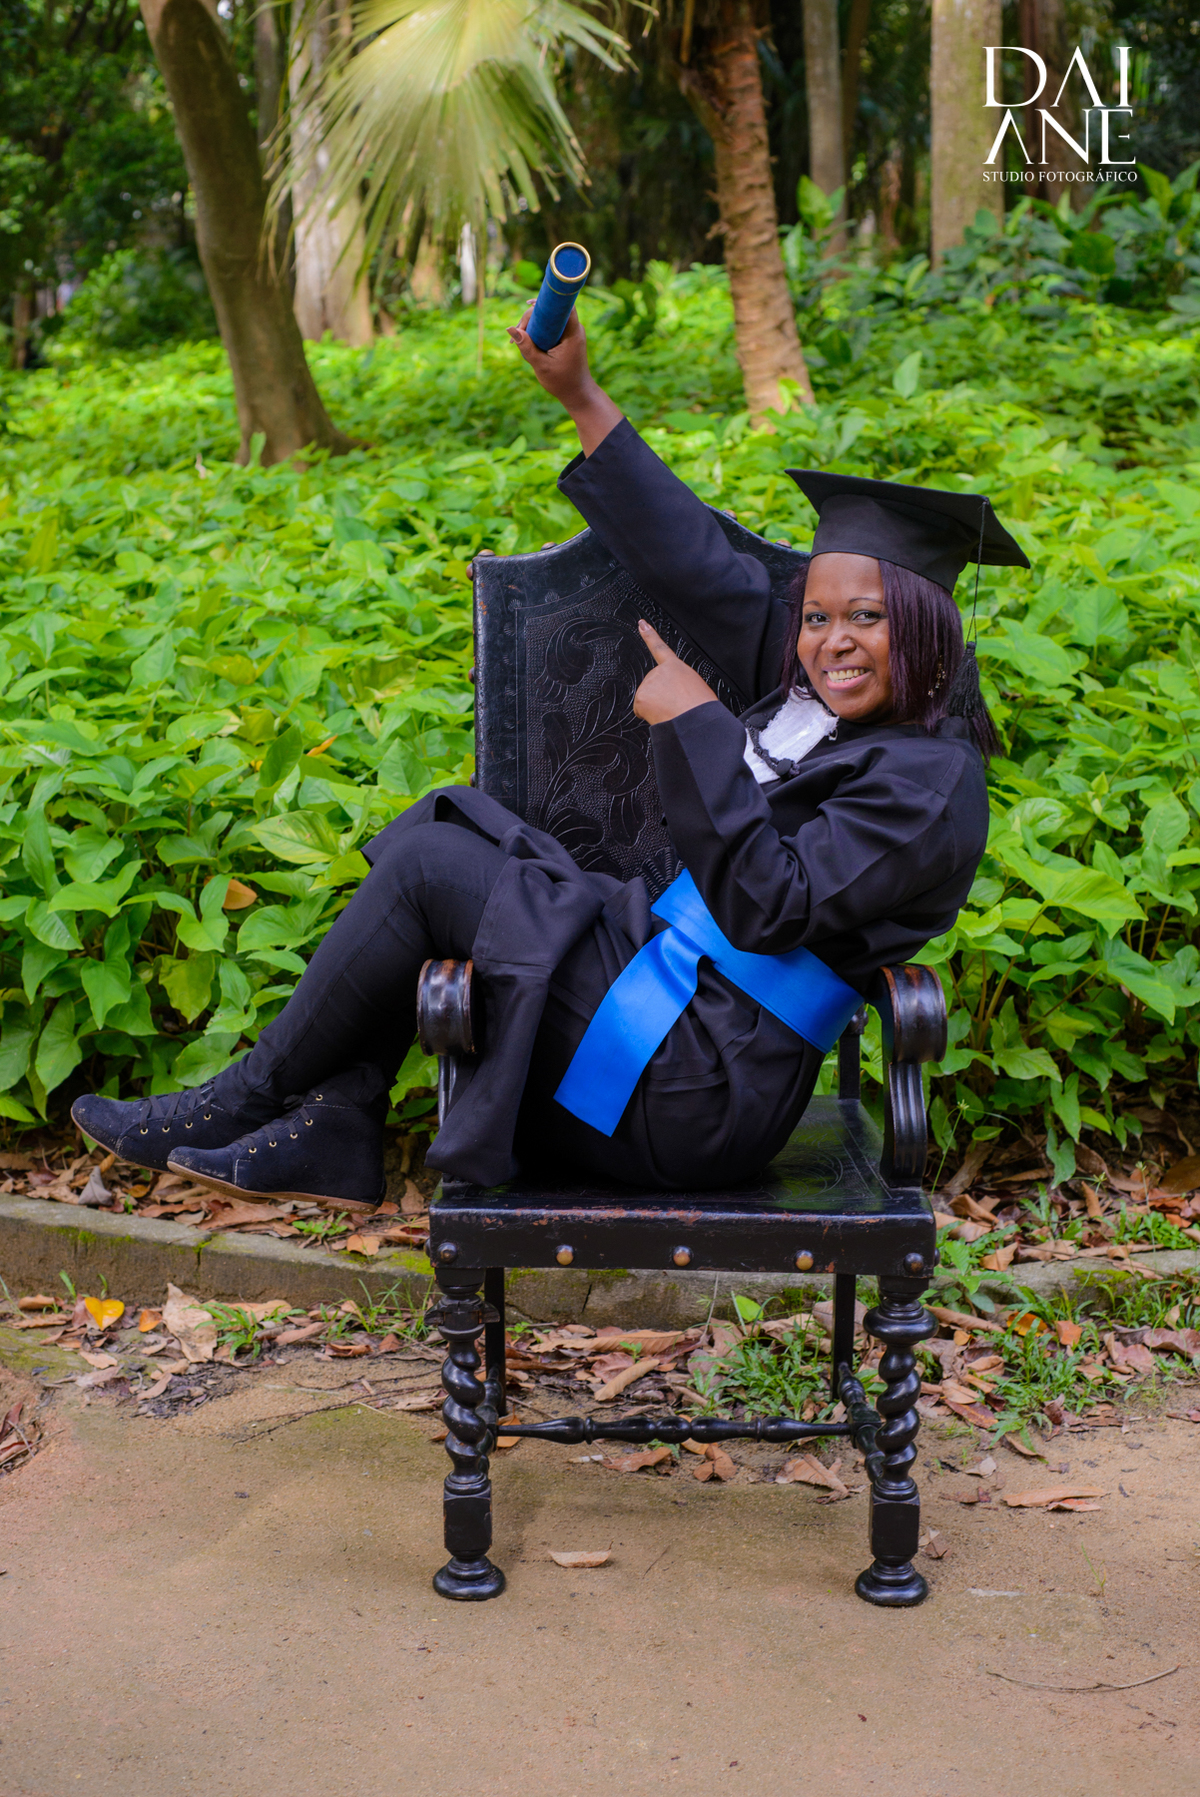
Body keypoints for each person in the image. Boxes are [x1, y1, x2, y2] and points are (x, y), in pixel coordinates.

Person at [70, 310, 1028, 1207]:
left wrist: (697, 723)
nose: (831, 640)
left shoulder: (929, 782)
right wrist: (580, 395)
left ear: (925, 624)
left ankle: (246, 1102)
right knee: (453, 824)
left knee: (434, 867)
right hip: (658, 1001)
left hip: (700, 1081)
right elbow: (697, 563)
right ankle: (337, 1118)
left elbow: (768, 907)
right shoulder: (813, 698)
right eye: (816, 616)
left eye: (866, 616)